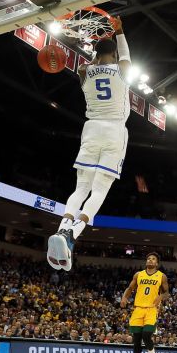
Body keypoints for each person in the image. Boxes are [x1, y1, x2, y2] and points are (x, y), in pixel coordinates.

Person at [47, 17, 131, 271]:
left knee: (81, 187)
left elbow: (92, 64)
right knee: (99, 191)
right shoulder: (122, 70)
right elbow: (125, 54)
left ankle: (62, 230)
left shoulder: (84, 71)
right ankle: (74, 235)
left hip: (91, 129)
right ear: (114, 54)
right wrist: (120, 31)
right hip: (114, 131)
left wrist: (96, 56)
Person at [120, 252, 169, 353]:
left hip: (151, 309)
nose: (150, 260)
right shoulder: (138, 274)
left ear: (157, 263)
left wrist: (161, 296)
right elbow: (130, 288)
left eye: (153, 259)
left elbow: (166, 293)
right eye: (148, 258)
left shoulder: (161, 276)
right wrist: (125, 298)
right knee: (136, 341)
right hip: (138, 309)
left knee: (146, 335)